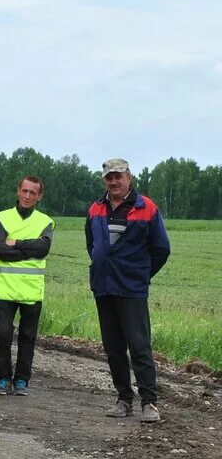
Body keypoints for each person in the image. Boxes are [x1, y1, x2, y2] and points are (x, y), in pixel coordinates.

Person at [86, 158, 171, 423]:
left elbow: (161, 249)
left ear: (128, 178)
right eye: (109, 177)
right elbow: (92, 245)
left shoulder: (147, 207)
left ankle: (149, 402)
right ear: (104, 181)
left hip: (132, 288)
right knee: (113, 348)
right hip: (104, 286)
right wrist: (104, 267)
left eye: (118, 176)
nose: (114, 182)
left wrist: (141, 274)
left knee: (139, 346)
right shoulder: (95, 208)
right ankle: (123, 399)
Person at [0, 176, 55, 396]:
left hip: (31, 291)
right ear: (18, 191)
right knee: (3, 335)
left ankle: (21, 382)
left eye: (32, 193)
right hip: (5, 289)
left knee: (28, 338)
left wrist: (16, 243)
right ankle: (3, 379)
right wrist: (29, 251)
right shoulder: (2, 218)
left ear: (39, 197)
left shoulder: (45, 222)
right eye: (24, 191)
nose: (27, 196)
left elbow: (43, 249)